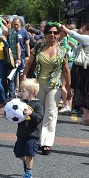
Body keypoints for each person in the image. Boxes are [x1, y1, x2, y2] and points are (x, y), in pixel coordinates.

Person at [22, 22, 72, 155]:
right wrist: (24, 77)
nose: (52, 35)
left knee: (51, 114)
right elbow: (29, 64)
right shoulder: (38, 47)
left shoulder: (62, 51)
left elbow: (66, 72)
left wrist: (69, 88)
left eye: (55, 33)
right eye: (50, 32)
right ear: (45, 34)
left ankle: (46, 143)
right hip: (38, 85)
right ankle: (37, 139)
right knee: (39, 112)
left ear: (58, 35)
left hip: (54, 86)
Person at [61, 23, 89, 124]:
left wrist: (63, 28)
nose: (82, 30)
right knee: (83, 90)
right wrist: (74, 47)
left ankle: (87, 114)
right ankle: (88, 114)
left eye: (84, 29)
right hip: (85, 68)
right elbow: (80, 54)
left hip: (84, 69)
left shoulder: (88, 38)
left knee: (82, 90)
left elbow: (74, 35)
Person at [15, 78, 44, 178]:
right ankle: (25, 162)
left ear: (31, 92)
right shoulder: (21, 103)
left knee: (29, 154)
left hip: (32, 135)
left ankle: (28, 171)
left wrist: (31, 113)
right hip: (21, 133)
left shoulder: (38, 105)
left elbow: (39, 118)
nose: (21, 93)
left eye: (23, 91)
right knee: (18, 153)